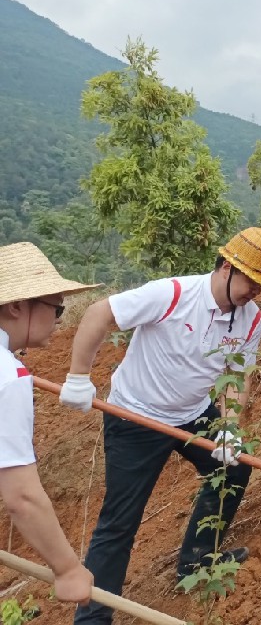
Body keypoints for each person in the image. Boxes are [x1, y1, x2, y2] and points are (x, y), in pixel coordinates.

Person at [62, 228, 261, 625]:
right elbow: (100, 313)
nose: (255, 292)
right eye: (252, 281)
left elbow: (237, 376)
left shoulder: (250, 320)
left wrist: (229, 427)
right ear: (228, 267)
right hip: (136, 417)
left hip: (194, 414)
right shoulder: (174, 295)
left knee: (234, 469)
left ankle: (196, 561)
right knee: (120, 522)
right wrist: (79, 376)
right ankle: (92, 618)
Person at [0, 243, 97, 605]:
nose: (59, 319)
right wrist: (68, 569)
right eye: (56, 308)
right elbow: (22, 497)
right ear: (16, 306)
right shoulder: (9, 376)